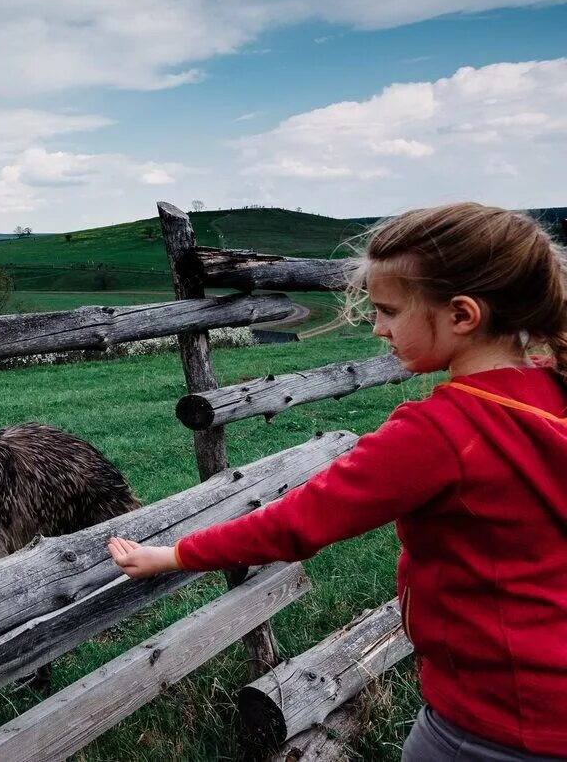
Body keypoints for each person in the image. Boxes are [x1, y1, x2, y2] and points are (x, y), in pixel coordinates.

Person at [108, 202, 567, 760]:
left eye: (389, 311)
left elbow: (297, 521)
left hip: (496, 715)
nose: (378, 328)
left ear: (463, 315)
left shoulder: (440, 433)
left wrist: (176, 554)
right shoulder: (553, 392)